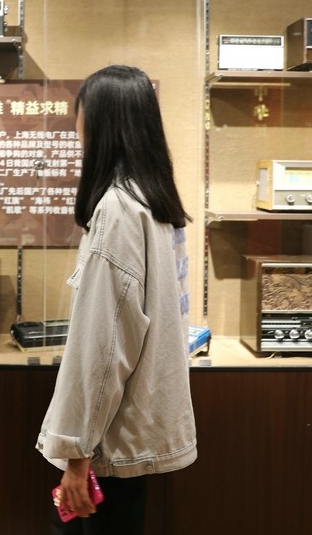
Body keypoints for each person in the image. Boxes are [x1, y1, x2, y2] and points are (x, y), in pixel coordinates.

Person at [35, 65, 198, 535]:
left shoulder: (118, 209)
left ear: (103, 123)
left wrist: (76, 454)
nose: (77, 125)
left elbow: (106, 350)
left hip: (109, 440)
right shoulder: (155, 201)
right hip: (133, 428)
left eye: (82, 113)